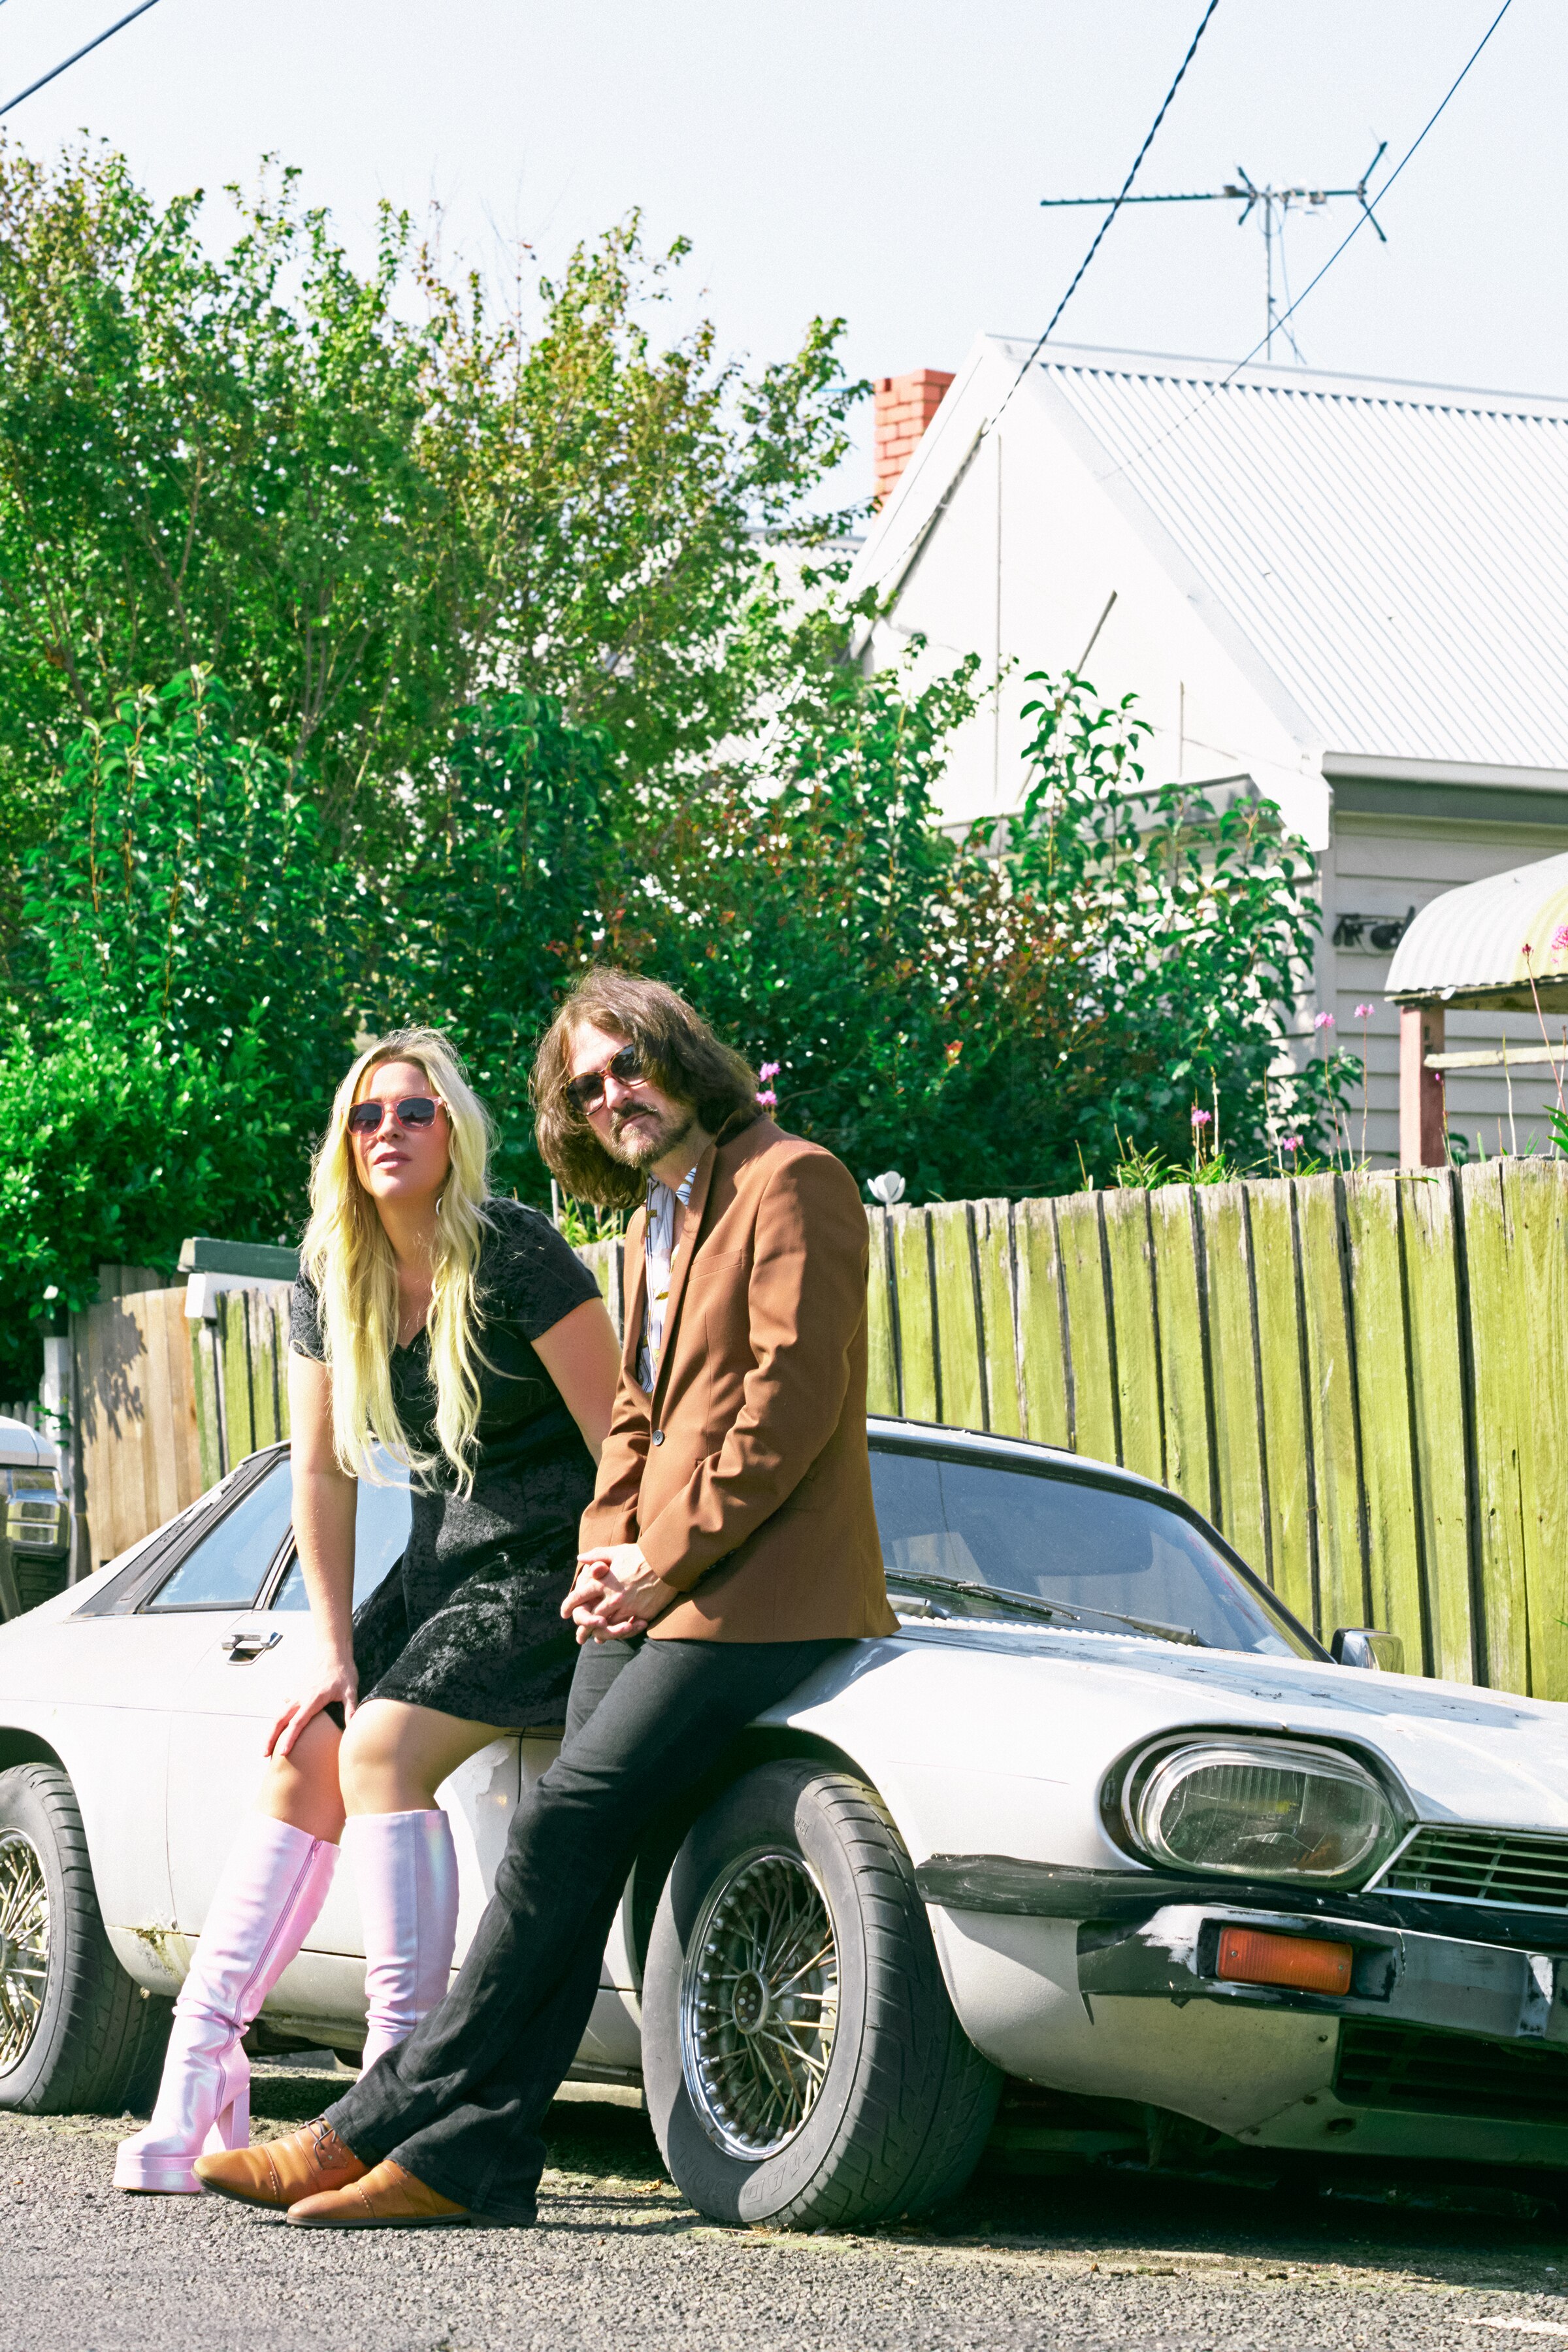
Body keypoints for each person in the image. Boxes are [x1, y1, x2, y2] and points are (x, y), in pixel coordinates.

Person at [193, 969, 896, 2227]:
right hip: (647, 1589)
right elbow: (629, 1420)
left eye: (627, 1065)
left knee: (564, 1823)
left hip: (765, 1595)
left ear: (681, 1057)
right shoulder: (646, 1228)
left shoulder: (796, 1183)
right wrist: (604, 1549)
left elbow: (785, 1413)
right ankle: (480, 2163)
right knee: (569, 1861)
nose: (613, 1094)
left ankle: (371, 2122)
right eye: (585, 1087)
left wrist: (659, 1558)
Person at [115, 1027, 619, 2193]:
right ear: (345, 1143)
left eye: (415, 1112)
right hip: (443, 1567)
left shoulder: (517, 1254)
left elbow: (621, 1435)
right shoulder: (328, 1273)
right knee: (305, 1756)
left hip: (551, 1564)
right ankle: (198, 2078)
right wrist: (331, 1647)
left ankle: (396, 2090)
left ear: (457, 1133)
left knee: (383, 1752)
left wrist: (619, 1572)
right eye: (367, 1116)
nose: (387, 1131)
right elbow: (324, 1472)